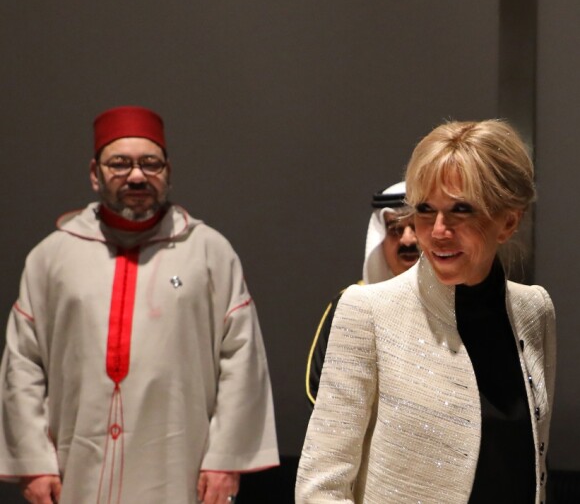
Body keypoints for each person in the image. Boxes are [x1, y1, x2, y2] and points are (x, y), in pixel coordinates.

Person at [0, 106, 279, 504]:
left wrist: (225, 459)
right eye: (120, 164)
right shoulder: (52, 256)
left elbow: (242, 359)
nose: (136, 176)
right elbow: (23, 365)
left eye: (151, 164)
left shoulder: (209, 252)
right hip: (74, 469)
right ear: (95, 174)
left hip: (179, 465)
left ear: (168, 173)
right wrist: (33, 461)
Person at [295, 119, 556, 504]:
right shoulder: (367, 311)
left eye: (461, 209)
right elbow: (320, 487)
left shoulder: (535, 311)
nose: (436, 230)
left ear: (508, 221)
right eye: (425, 210)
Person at [305, 182, 419, 407]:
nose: (408, 240)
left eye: (416, 227)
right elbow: (319, 390)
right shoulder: (352, 305)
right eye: (395, 229)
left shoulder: (454, 304)